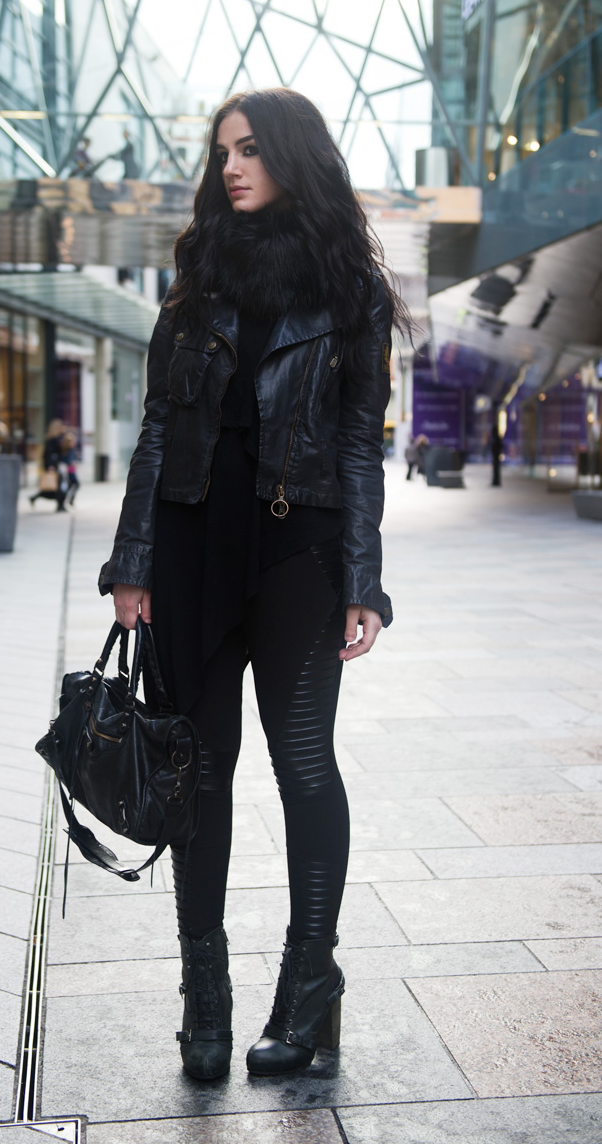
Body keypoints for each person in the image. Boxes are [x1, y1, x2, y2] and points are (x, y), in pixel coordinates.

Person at [99, 87, 409, 1082]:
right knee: (197, 779)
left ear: (291, 156)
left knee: (301, 761)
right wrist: (131, 562)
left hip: (298, 551)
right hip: (191, 548)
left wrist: (362, 576)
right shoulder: (195, 274)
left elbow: (359, 443)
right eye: (221, 150)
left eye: (248, 149)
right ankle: (205, 999)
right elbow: (156, 427)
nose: (229, 165)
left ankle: (307, 981)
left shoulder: (348, 288)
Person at [30, 419, 68, 511]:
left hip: (55, 465)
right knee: (57, 487)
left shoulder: (55, 438)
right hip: (53, 466)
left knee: (57, 487)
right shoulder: (52, 440)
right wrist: (51, 466)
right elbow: (49, 454)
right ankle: (60, 506)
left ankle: (60, 505)